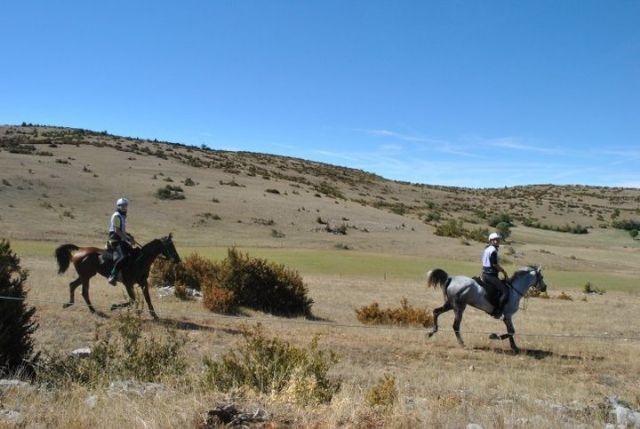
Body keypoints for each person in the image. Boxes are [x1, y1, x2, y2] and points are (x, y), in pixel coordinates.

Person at [481, 232, 509, 317]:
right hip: (490, 275)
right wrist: (503, 271)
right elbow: (494, 264)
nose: (497, 241)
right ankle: (498, 312)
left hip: (485, 273)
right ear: (491, 241)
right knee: (505, 292)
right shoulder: (493, 250)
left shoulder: (487, 249)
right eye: (495, 240)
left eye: (498, 240)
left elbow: (483, 262)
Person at [107, 198, 133, 286]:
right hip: (115, 239)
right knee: (123, 257)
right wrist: (126, 239)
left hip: (120, 238)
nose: (124, 207)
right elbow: (117, 230)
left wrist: (130, 236)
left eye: (125, 206)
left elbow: (122, 230)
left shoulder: (122, 216)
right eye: (122, 206)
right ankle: (113, 275)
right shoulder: (117, 216)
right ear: (118, 206)